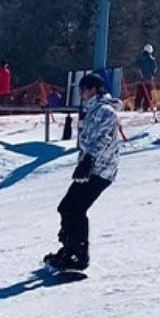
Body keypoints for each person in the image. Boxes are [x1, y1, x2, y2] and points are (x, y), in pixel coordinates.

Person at [43, 73, 119, 273]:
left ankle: (79, 255)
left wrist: (89, 160)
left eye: (83, 89)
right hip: (90, 169)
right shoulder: (92, 110)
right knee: (66, 207)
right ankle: (69, 248)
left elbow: (103, 139)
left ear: (93, 89)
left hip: (101, 170)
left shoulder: (105, 111)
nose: (81, 93)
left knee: (75, 209)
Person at [135, 45, 158, 112]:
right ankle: (146, 106)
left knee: (139, 94)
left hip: (140, 80)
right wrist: (151, 75)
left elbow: (136, 66)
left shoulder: (140, 59)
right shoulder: (152, 60)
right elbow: (154, 69)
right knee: (147, 94)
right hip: (148, 80)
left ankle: (137, 106)